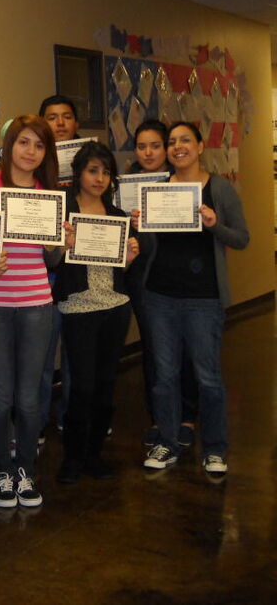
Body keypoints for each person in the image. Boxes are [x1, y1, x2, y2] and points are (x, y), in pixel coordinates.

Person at [139, 122, 248, 475]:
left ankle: (214, 449)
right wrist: (139, 225)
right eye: (172, 142)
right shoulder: (156, 189)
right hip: (159, 295)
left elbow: (242, 238)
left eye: (185, 140)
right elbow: (150, 245)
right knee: (165, 376)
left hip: (204, 298)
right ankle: (168, 442)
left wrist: (215, 223)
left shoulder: (219, 188)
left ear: (200, 147)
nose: (177, 147)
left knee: (208, 377)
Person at [0, 114, 59, 509]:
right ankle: (2, 471)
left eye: (38, 145)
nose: (30, 152)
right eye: (23, 142)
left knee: (29, 397)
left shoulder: (49, 194)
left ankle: (27, 471)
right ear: (8, 147)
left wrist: (64, 241)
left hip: (37, 302)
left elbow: (52, 259)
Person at [51, 142, 139, 484]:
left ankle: (94, 455)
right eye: (93, 170)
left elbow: (123, 271)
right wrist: (63, 244)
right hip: (79, 308)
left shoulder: (118, 218)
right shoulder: (66, 215)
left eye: (105, 172)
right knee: (82, 387)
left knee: (105, 386)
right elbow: (53, 261)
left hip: (115, 308)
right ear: (78, 174)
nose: (99, 178)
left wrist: (130, 257)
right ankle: (72, 458)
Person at [126, 120, 199, 449]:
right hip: (142, 278)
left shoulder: (181, 181)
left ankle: (186, 417)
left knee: (183, 348)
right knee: (155, 351)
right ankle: (159, 418)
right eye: (142, 146)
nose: (149, 152)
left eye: (156, 145)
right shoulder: (125, 183)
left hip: (178, 276)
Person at [36, 95, 79, 441]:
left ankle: (71, 416)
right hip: (45, 279)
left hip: (79, 276)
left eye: (66, 117)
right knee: (42, 356)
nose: (60, 123)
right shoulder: (36, 175)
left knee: (76, 354)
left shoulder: (89, 172)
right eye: (52, 117)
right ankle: (35, 423)